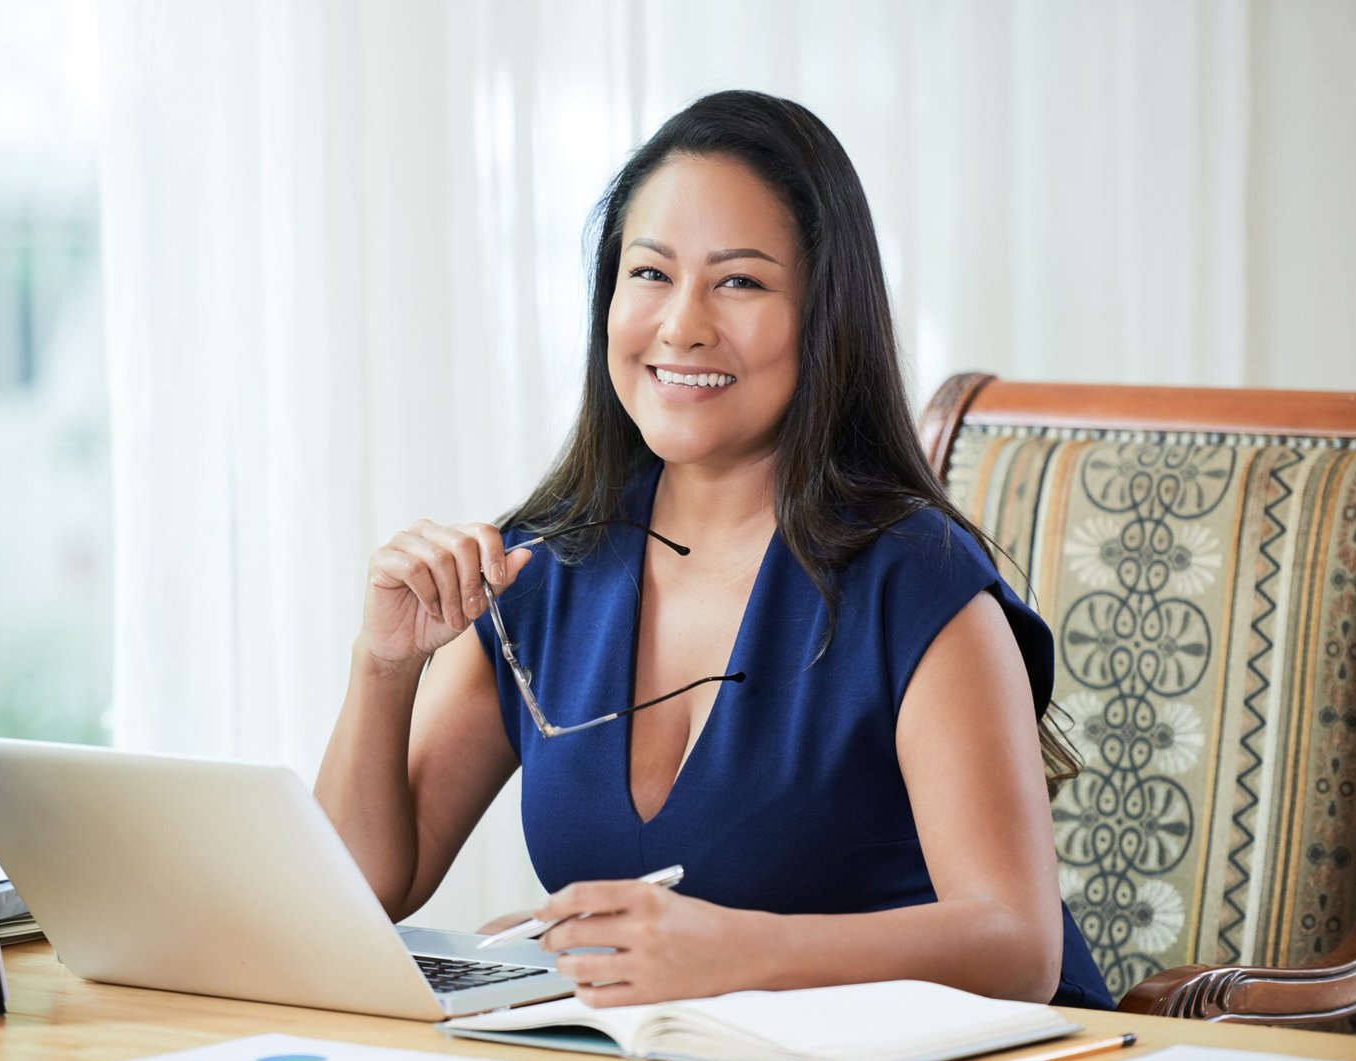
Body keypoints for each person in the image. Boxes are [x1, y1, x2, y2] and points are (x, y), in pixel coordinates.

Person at [314, 89, 1113, 1011]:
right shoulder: (541, 566)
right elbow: (366, 890)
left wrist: (726, 949)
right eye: (649, 273)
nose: (683, 324)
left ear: (824, 317)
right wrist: (382, 668)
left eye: (740, 281)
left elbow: (1017, 945)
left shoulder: (916, 577)